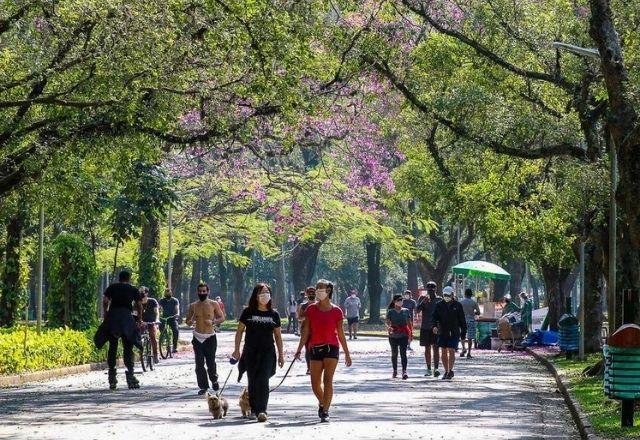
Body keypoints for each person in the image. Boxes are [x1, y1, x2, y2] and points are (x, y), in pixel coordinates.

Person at [295, 279, 352, 423]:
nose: (319, 290)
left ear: (328, 291)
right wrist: (299, 349)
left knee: (328, 380)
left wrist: (347, 353)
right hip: (314, 348)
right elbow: (306, 331)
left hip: (331, 348)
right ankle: (323, 402)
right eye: (318, 287)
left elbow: (340, 333)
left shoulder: (336, 311)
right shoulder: (311, 309)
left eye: (322, 288)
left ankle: (325, 411)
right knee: (315, 384)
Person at [233, 283, 285, 422]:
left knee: (263, 380)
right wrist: (236, 350)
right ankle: (254, 408)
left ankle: (262, 410)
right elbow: (239, 331)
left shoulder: (274, 314)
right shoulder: (248, 312)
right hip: (250, 351)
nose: (265, 295)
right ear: (256, 296)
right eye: (262, 292)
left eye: (267, 292)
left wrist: (281, 355)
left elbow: (278, 336)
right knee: (253, 380)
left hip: (268, 352)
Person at [100, 270, 143, 390]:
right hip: (126, 318)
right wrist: (139, 319)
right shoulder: (133, 289)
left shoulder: (112, 287)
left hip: (113, 317)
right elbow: (139, 305)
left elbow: (105, 301)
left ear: (119, 278)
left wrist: (106, 314)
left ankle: (112, 376)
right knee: (128, 346)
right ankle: (130, 374)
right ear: (129, 279)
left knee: (112, 346)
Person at [186, 283, 226, 395]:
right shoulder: (193, 306)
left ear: (208, 292)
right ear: (197, 292)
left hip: (210, 337)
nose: (202, 293)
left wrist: (213, 322)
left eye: (204, 291)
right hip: (198, 337)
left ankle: (214, 379)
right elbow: (188, 320)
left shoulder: (214, 304)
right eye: (200, 291)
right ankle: (203, 386)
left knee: (211, 362)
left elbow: (222, 317)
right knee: (199, 363)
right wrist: (189, 322)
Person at [432, 286, 466, 380]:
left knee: (451, 350)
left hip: (454, 331)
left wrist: (463, 332)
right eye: (444, 295)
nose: (446, 296)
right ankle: (446, 371)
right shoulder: (439, 305)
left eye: (448, 295)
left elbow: (462, 320)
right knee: (443, 351)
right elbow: (434, 317)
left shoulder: (458, 305)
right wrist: (434, 326)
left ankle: (450, 370)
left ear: (452, 295)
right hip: (443, 331)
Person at [416, 281, 441, 377]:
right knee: (427, 348)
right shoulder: (422, 298)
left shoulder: (439, 299)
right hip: (425, 327)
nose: (430, 291)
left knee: (436, 348)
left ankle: (436, 368)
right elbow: (417, 310)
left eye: (432, 289)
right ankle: (428, 368)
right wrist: (423, 302)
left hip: (435, 327)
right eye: (429, 289)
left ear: (435, 289)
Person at [386, 294, 411, 379]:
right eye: (398, 300)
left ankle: (404, 371)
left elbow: (409, 323)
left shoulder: (406, 311)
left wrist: (410, 334)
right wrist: (389, 327)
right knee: (394, 353)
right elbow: (388, 322)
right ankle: (395, 370)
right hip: (393, 335)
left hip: (404, 335)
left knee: (403, 353)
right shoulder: (390, 311)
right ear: (394, 302)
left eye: (401, 300)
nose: (400, 302)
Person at [297, 286, 316, 375]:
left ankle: (316, 367)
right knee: (308, 349)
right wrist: (307, 317)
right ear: (306, 295)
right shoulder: (303, 306)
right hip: (306, 331)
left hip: (316, 331)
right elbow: (299, 318)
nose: (311, 295)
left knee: (315, 349)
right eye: (309, 293)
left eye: (313, 293)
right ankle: (309, 368)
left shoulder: (318, 305)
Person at [140, 286, 160, 364]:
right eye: (140, 292)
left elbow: (157, 312)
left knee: (152, 336)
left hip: (151, 322)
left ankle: (155, 354)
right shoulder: (137, 302)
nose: (141, 294)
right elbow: (134, 312)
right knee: (136, 336)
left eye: (143, 292)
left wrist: (157, 319)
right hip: (142, 322)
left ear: (147, 293)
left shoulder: (152, 301)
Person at [459, 288, 481, 359]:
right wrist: (472, 312)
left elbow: (458, 312)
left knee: (462, 335)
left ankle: (463, 348)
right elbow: (478, 312)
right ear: (471, 294)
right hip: (471, 320)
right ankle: (469, 352)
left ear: (465, 294)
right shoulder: (474, 302)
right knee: (470, 337)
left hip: (463, 320)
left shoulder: (461, 302)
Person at [159, 288, 180, 353]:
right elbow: (159, 308)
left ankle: (174, 347)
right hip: (164, 318)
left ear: (171, 293)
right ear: (164, 294)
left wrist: (177, 314)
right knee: (161, 328)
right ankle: (165, 339)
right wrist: (158, 314)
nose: (168, 294)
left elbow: (177, 308)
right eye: (166, 292)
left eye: (169, 292)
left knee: (176, 331)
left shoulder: (175, 300)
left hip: (172, 318)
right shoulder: (162, 300)